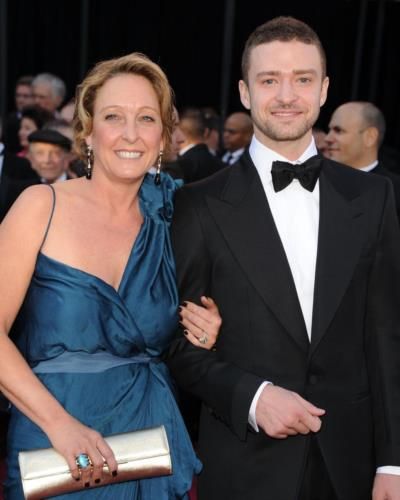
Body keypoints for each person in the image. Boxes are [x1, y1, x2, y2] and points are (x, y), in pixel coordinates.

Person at [167, 16, 400, 500]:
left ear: (324, 90)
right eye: (269, 80)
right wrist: (252, 397)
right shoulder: (197, 203)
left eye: (303, 79)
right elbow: (177, 345)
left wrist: (393, 463)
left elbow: (387, 338)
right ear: (245, 92)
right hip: (245, 464)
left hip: (353, 466)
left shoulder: (374, 197)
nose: (287, 95)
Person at [1, 52, 220, 499]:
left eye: (146, 118)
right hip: (55, 444)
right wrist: (60, 426)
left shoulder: (174, 217)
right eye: (113, 117)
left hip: (148, 442)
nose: (130, 134)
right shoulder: (41, 205)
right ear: (88, 129)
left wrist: (207, 330)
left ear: (163, 135)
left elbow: (182, 324)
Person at [325, 101, 400, 221]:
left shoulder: (394, 193)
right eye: (329, 130)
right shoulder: (315, 182)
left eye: (338, 130)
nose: (327, 138)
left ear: (370, 137)